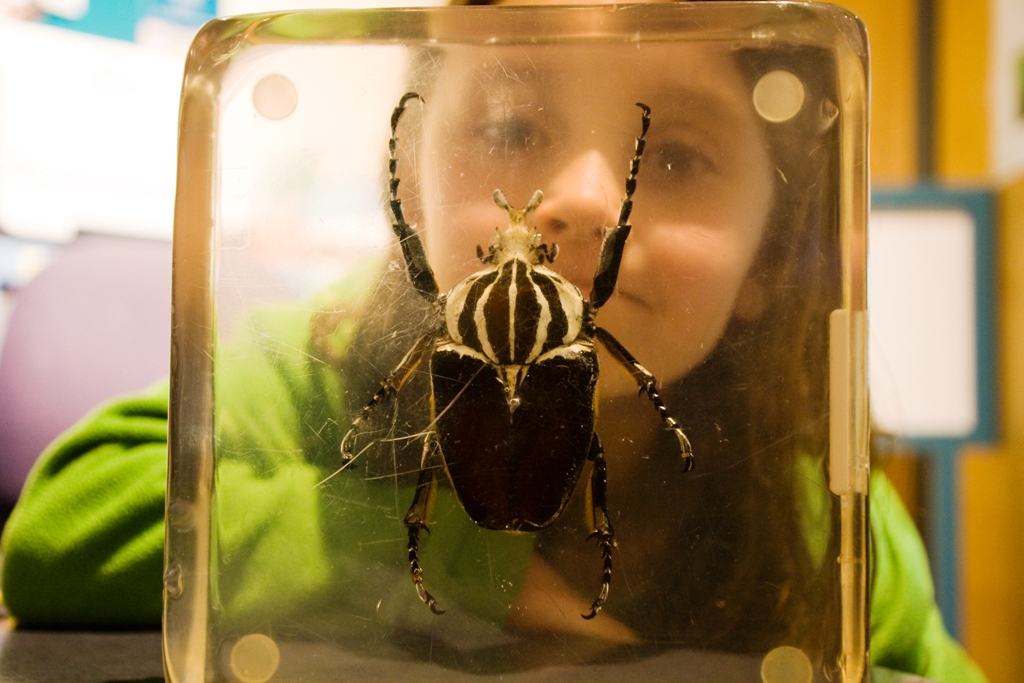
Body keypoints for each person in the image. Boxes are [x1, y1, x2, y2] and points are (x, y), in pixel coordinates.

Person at [0, 2, 987, 681]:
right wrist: (478, 571)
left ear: (769, 257)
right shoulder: (304, 359)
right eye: (515, 128)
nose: (584, 196)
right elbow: (57, 533)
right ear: (415, 195)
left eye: (677, 154)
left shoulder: (815, 512)